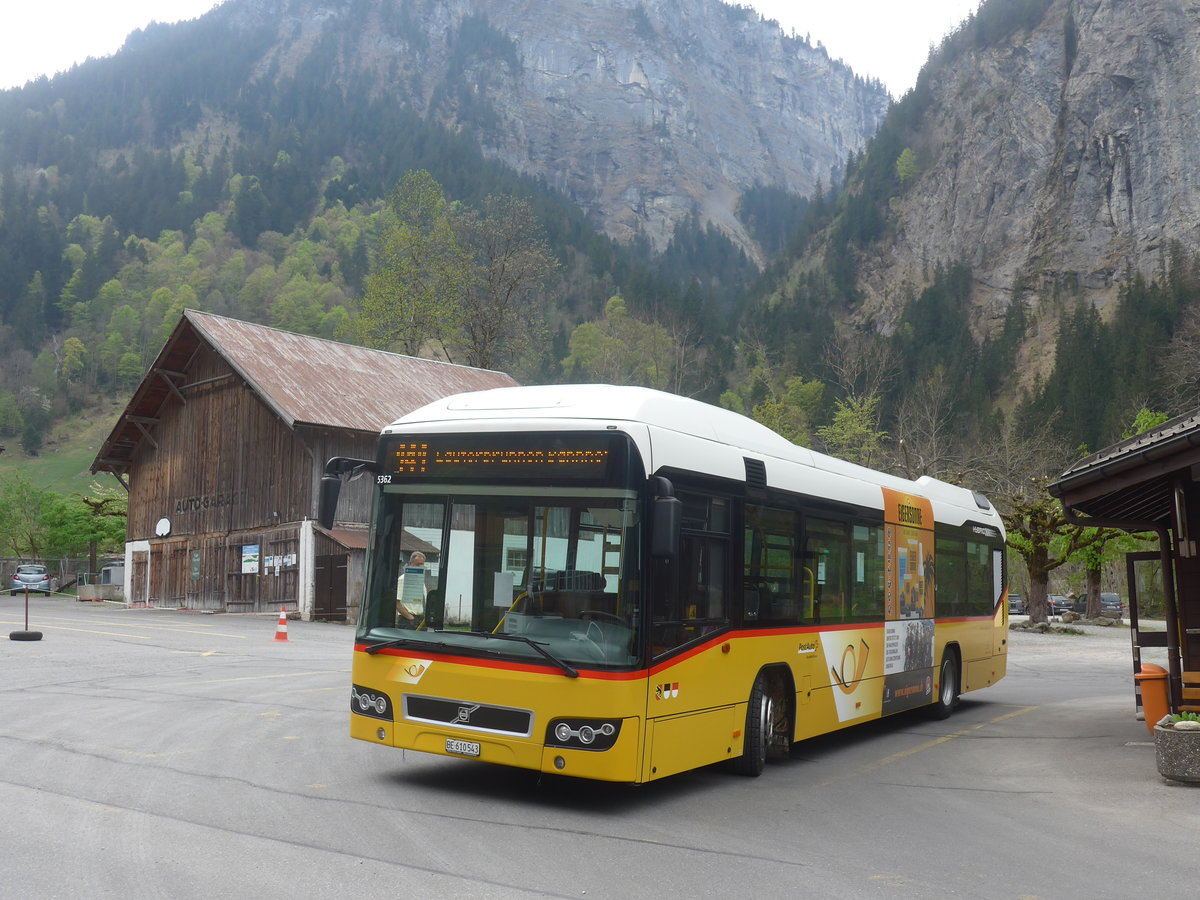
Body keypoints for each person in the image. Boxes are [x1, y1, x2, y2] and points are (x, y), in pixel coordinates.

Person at [396, 551, 427, 623]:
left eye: (422, 564)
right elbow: (397, 603)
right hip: (407, 620)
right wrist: (411, 619)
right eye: (417, 564)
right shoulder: (403, 579)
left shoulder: (421, 582)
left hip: (420, 619)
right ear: (410, 564)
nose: (420, 567)